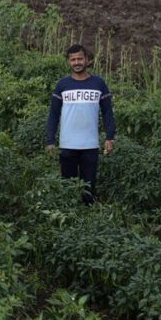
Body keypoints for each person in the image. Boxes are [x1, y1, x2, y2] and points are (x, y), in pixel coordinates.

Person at [46, 44, 115, 204]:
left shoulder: (99, 84)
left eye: (80, 59)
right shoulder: (62, 85)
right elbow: (53, 115)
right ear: (69, 62)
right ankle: (70, 218)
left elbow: (107, 113)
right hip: (67, 145)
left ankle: (88, 218)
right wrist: (50, 140)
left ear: (87, 60)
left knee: (88, 189)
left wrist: (109, 137)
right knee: (67, 187)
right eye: (73, 59)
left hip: (90, 145)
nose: (77, 62)